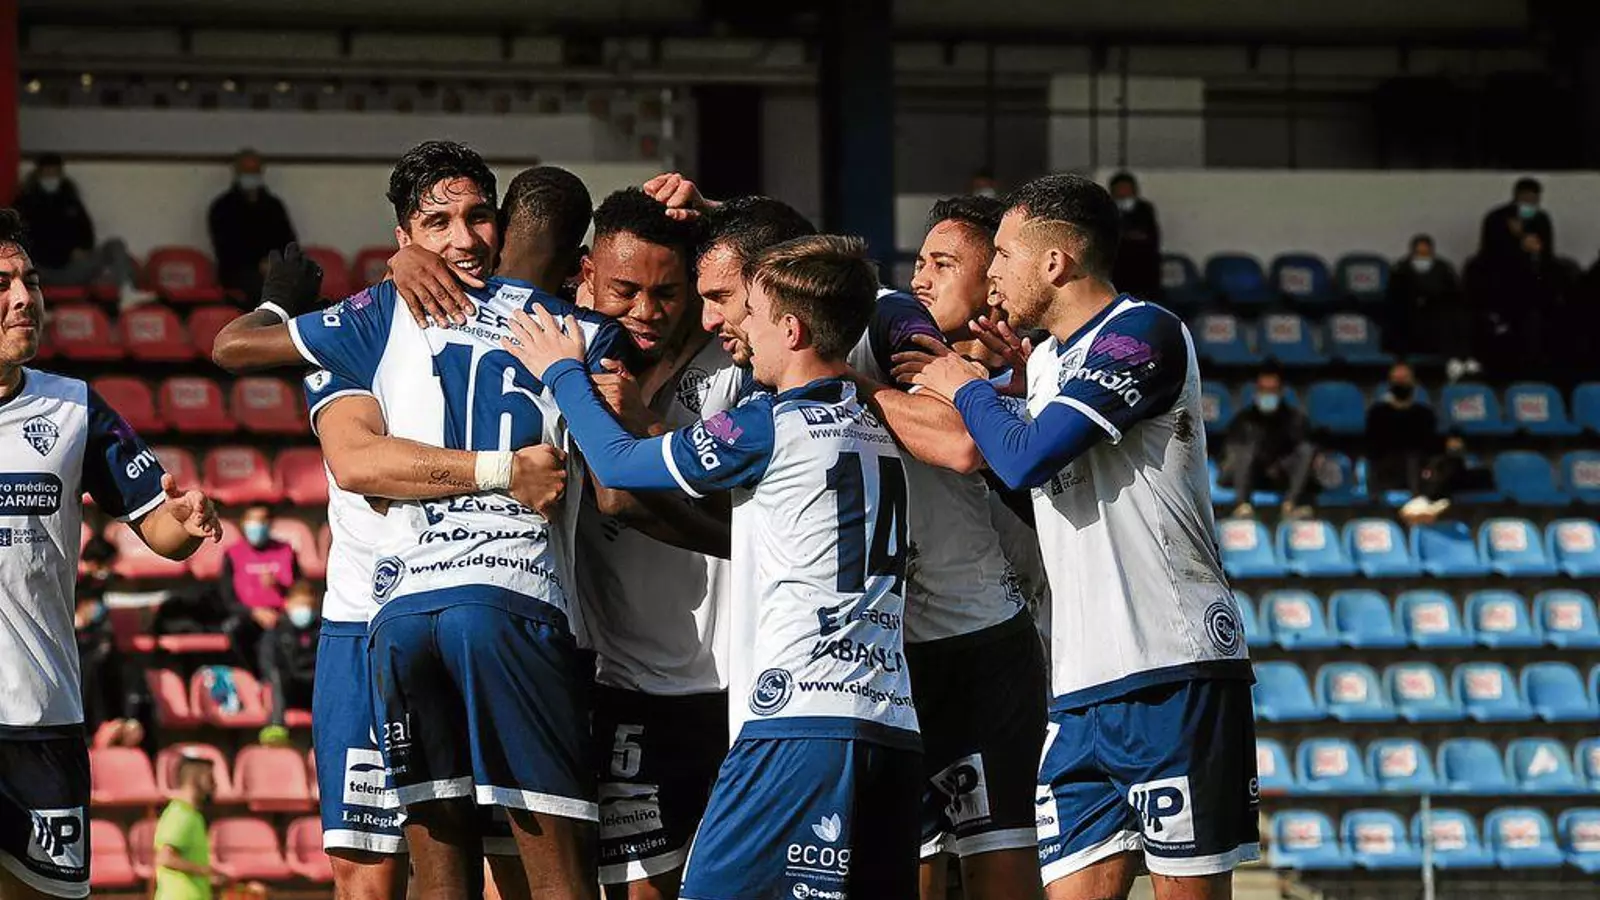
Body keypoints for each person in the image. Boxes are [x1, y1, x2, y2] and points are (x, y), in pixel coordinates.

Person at [213, 141, 630, 900]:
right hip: (381, 614)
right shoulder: (403, 315)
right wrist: (508, 469)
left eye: (477, 218)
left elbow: (235, 349)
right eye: (437, 223)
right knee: (391, 876)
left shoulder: (394, 314)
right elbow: (357, 462)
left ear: (503, 226)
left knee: (484, 868)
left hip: (421, 609)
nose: (462, 238)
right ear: (402, 237)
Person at [503, 234, 923, 900]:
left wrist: (563, 372)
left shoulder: (767, 424)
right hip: (892, 725)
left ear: (791, 329)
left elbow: (616, 465)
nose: (740, 330)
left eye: (752, 314)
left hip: (796, 725)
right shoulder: (879, 427)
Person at [904, 173, 1257, 900]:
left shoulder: (1144, 332)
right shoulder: (1044, 365)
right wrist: (995, 395)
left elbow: (1027, 457)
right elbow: (1032, 487)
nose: (992, 274)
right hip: (1077, 692)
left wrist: (962, 386)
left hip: (1170, 669)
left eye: (1004, 255)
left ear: (1056, 262)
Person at [0, 206, 221, 900]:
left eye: (31, 281)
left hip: (42, 717)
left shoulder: (74, 409)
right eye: (2, 284)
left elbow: (161, 531)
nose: (23, 298)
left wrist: (186, 521)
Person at [8, 154, 150, 305]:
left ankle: (124, 295)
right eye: (47, 173)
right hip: (41, 271)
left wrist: (83, 249)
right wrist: (62, 251)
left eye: (55, 173)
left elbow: (87, 232)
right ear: (39, 174)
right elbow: (18, 241)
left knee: (116, 246)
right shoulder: (24, 202)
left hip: (74, 268)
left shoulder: (70, 199)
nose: (51, 178)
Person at [1218, 367, 1317, 519]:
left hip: (1280, 475)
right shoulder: (1243, 420)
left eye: (1272, 390)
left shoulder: (1295, 419)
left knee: (1306, 451)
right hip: (1249, 475)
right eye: (1263, 390)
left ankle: (1291, 504)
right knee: (1243, 450)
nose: (1267, 395)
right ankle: (1243, 506)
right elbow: (1229, 454)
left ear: (1281, 392)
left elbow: (1302, 451)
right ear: (1256, 392)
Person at [217, 504, 298, 674]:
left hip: (280, 616)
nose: (257, 526)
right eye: (252, 521)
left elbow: (300, 592)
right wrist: (254, 612)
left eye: (262, 520)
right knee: (235, 629)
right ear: (243, 523)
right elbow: (228, 598)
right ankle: (253, 677)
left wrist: (278, 586)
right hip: (248, 617)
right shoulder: (232, 554)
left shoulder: (286, 551)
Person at [208, 149, 297, 301]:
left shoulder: (274, 206)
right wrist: (258, 265)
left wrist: (274, 262)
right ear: (237, 173)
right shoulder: (222, 207)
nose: (251, 176)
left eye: (255, 172)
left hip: (274, 267)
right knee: (260, 287)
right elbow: (225, 248)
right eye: (247, 172)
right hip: (238, 272)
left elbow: (288, 241)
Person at [1385, 235, 1477, 378]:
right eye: (1419, 252)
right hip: (1411, 322)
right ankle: (1453, 358)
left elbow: (1455, 294)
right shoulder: (1400, 269)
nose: (1423, 256)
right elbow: (1394, 298)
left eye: (1426, 252)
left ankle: (1463, 358)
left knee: (1458, 316)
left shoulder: (1443, 268)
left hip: (1439, 315)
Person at [257, 580, 321, 747]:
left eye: (306, 605)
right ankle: (276, 725)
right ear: (287, 605)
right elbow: (267, 662)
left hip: (315, 688)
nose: (302, 610)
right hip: (289, 689)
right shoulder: (276, 631)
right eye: (298, 604)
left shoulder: (322, 631)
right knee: (276, 675)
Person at [1364, 363, 1439, 497]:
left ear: (1414, 382)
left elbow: (1429, 447)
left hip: (1418, 468)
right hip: (1386, 467)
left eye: (1404, 378)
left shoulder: (1425, 414)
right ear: (1389, 383)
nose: (1400, 383)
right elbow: (1374, 448)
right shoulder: (1377, 413)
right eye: (1396, 379)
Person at [153, 754, 220, 900]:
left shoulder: (192, 815)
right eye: (210, 778)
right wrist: (204, 871)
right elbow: (165, 858)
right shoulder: (181, 814)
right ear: (194, 778)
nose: (214, 785)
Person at [1106, 173, 1161, 302]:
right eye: (1120, 188)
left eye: (1126, 188)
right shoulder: (1107, 209)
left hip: (1144, 268)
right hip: (1117, 269)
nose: (1123, 192)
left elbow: (1149, 236)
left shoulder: (1145, 208)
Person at [1478, 176, 1552, 267]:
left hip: (1532, 267)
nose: (1530, 204)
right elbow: (1492, 249)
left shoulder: (1541, 218)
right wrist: (1518, 240)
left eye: (1534, 200)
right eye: (1526, 199)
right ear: (1517, 197)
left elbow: (1546, 251)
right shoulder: (1497, 217)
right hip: (1500, 266)